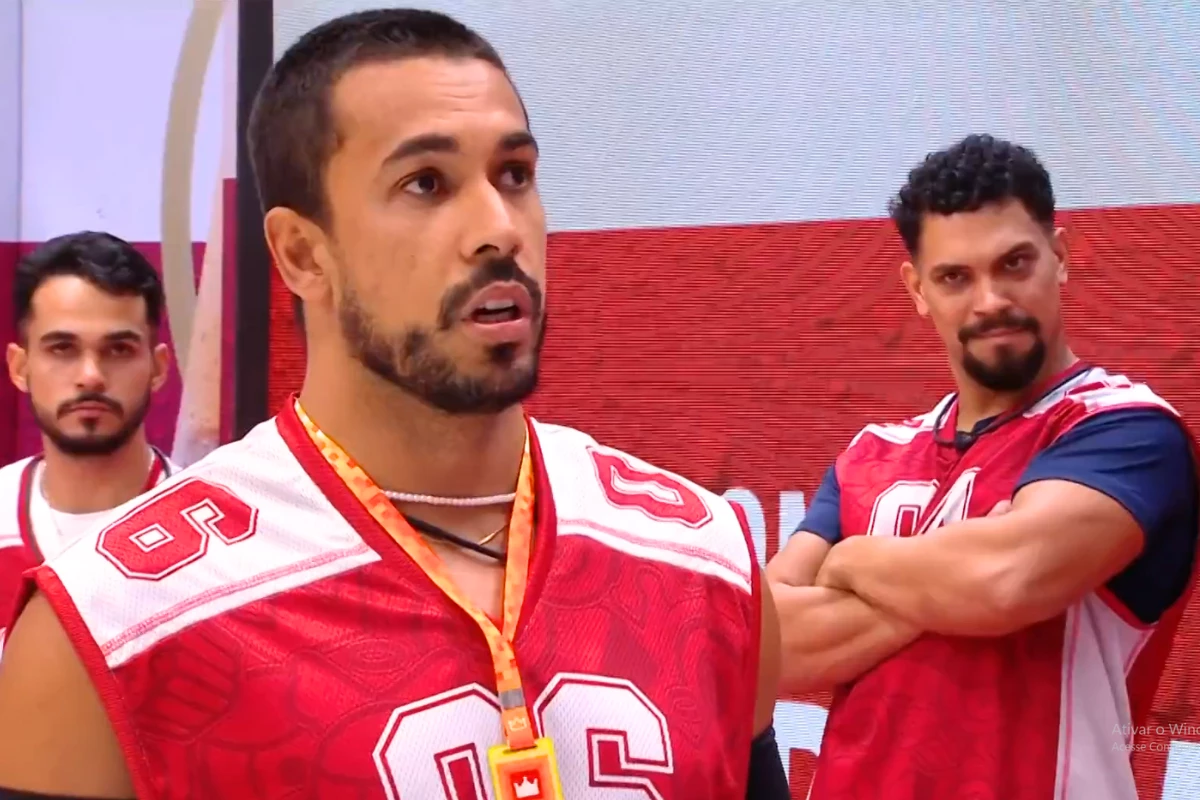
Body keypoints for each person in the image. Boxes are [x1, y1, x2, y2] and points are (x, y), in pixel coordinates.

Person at [0, 9, 786, 800]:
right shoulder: (116, 628)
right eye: (426, 184)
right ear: (303, 254)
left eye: (514, 174)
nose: (498, 229)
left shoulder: (704, 561)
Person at [768, 133, 1198, 800]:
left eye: (1014, 263)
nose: (991, 299)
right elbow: (768, 646)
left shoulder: (1127, 430)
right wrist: (947, 579)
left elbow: (1005, 581)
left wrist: (850, 562)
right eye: (955, 277)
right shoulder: (871, 453)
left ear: (1060, 256)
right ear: (917, 289)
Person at [0, 232, 177, 649]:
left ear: (158, 367)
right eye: (62, 348)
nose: (91, 376)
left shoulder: (221, 539)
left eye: (119, 350)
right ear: (20, 367)